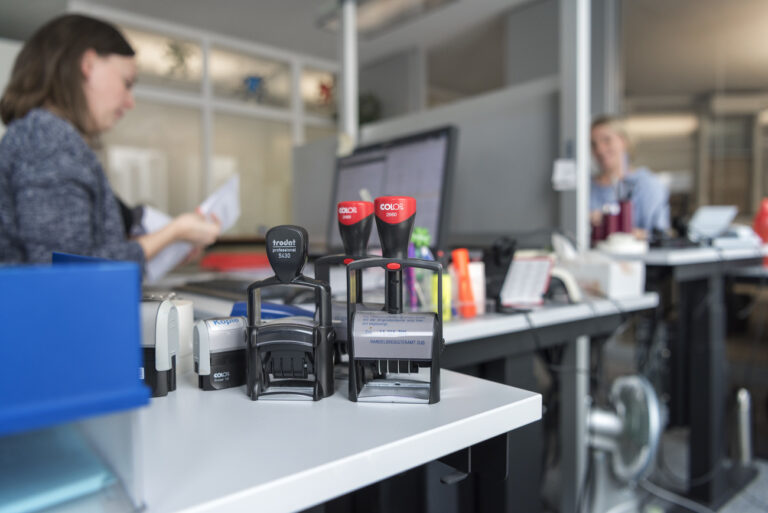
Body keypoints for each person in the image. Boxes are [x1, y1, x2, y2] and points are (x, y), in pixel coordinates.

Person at [0, 14, 220, 267]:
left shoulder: (40, 136)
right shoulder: (48, 141)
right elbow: (68, 273)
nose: (130, 102)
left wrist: (166, 243)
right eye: (126, 83)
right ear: (88, 64)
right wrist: (173, 233)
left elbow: (73, 252)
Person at [590, 115, 670, 240]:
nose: (600, 149)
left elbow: (660, 236)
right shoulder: (587, 188)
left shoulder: (647, 184)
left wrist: (611, 226)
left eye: (607, 140)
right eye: (593, 144)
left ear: (623, 141)